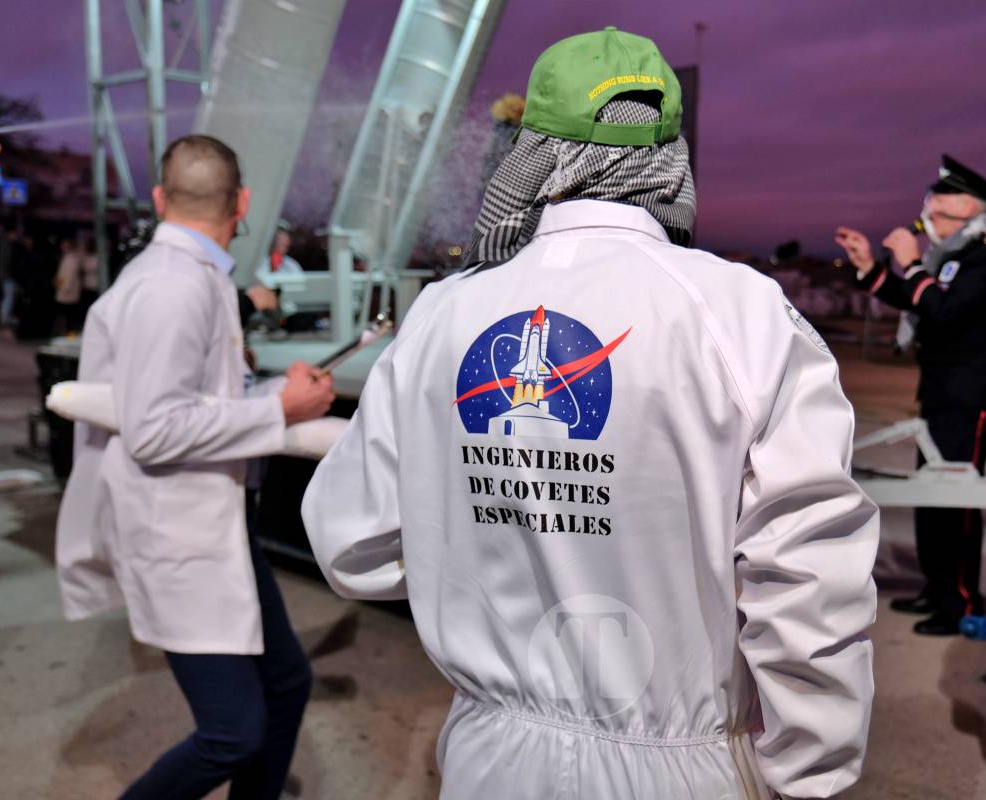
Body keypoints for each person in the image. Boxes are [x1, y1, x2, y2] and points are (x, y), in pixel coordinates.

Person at [303, 27, 878, 800]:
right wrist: (809, 774)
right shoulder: (742, 316)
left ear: (533, 150)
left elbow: (352, 545)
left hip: (487, 762)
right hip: (687, 766)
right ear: (669, 158)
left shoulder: (443, 315)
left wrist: (478, 551)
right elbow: (809, 579)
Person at [55, 134, 335, 799]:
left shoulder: (193, 275)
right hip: (179, 533)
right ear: (242, 202)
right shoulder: (173, 285)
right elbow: (155, 430)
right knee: (232, 732)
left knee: (286, 684)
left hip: (220, 529)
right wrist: (279, 413)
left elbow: (201, 402)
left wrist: (280, 395)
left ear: (159, 197)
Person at [836, 154, 986, 636]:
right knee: (932, 495)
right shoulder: (954, 257)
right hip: (943, 389)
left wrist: (912, 261)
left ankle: (958, 602)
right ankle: (937, 587)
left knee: (954, 498)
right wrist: (868, 268)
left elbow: (943, 309)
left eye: (935, 216)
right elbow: (916, 297)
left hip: (973, 392)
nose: (927, 224)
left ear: (967, 214)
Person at [254, 222, 303, 288]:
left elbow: (300, 287)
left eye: (286, 236)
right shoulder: (258, 262)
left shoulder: (292, 265)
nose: (284, 240)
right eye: (280, 236)